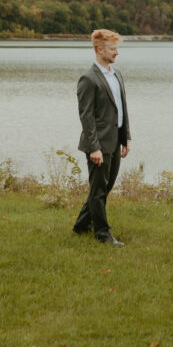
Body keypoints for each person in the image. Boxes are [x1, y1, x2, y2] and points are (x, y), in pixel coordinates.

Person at [72, 29, 131, 246]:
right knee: (98, 189)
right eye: (112, 49)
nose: (116, 53)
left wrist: (126, 139)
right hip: (98, 144)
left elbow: (122, 110)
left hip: (115, 140)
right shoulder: (88, 79)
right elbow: (86, 116)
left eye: (116, 48)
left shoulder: (116, 75)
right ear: (99, 49)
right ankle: (102, 234)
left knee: (105, 187)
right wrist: (94, 147)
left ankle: (81, 225)